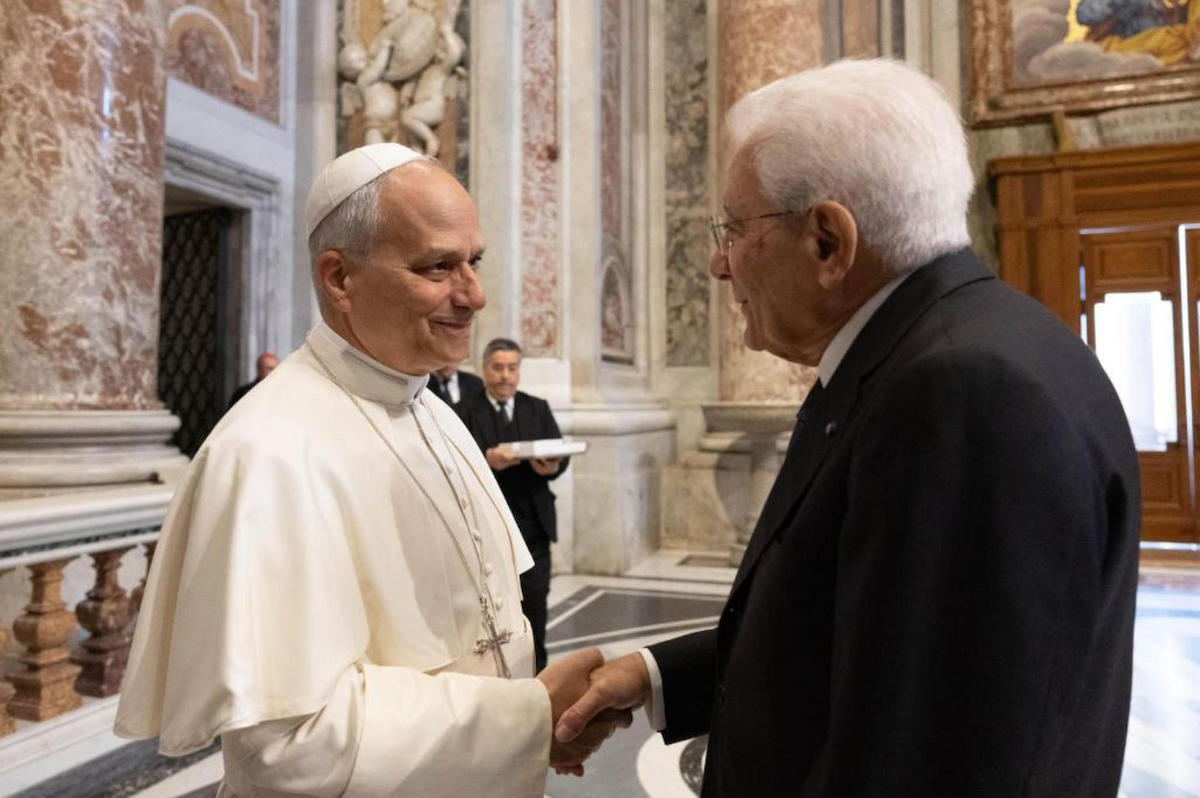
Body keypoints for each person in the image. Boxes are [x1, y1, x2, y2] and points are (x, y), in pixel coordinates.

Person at [556, 59, 1141, 797]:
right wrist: (651, 676)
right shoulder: (929, 353)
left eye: (735, 228)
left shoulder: (962, 393)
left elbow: (924, 756)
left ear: (828, 241)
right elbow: (866, 643)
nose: (716, 263)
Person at [116, 143, 627, 796]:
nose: (474, 294)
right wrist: (527, 718)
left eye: (474, 262)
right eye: (439, 266)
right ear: (339, 278)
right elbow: (294, 749)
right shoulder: (266, 451)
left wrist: (527, 736)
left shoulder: (436, 412)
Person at [457, 338, 567, 673]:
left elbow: (558, 455)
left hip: (533, 524)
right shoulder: (463, 411)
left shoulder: (538, 408)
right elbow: (456, 463)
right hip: (484, 528)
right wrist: (487, 460)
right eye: (498, 368)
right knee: (485, 610)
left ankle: (538, 675)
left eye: (512, 368)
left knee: (535, 603)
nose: (505, 376)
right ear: (484, 369)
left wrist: (553, 466)